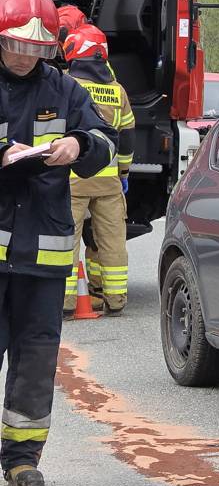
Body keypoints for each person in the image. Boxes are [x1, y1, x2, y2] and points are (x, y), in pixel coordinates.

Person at [0, 0, 117, 486]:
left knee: (36, 360)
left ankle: (22, 458)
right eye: (17, 46)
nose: (26, 57)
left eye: (37, 48)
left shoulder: (65, 90)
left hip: (43, 258)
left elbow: (107, 142)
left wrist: (81, 143)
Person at [62, 24, 135, 317]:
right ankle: (115, 300)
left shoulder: (66, 85)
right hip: (109, 183)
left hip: (73, 181)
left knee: (65, 240)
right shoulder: (118, 91)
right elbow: (127, 135)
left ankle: (65, 303)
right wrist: (125, 172)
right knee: (112, 242)